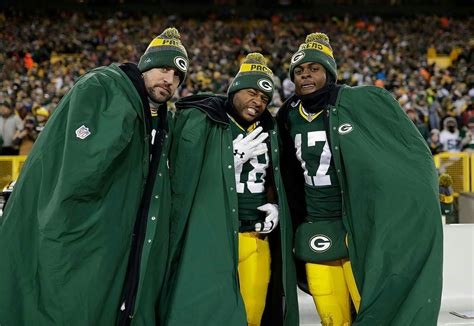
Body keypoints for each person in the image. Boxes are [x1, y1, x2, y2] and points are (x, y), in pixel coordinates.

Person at [0, 27, 189, 325]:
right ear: (147, 65)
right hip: (89, 228)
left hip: (122, 236)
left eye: (178, 76)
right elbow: (82, 163)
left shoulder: (164, 116)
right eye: (164, 68)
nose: (169, 80)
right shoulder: (104, 86)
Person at [277, 32, 443, 325]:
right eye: (299, 71)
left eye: (313, 69)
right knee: (332, 318)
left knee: (370, 308)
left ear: (328, 73)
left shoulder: (359, 102)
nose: (305, 75)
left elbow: (405, 152)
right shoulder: (286, 115)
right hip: (315, 223)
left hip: (355, 224)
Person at [162, 53, 298, 326]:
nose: (257, 102)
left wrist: (275, 205)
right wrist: (226, 158)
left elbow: (278, 178)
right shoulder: (206, 120)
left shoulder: (269, 128)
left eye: (264, 98)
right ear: (235, 89)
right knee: (209, 313)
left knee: (252, 316)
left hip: (256, 237)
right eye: (252, 92)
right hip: (215, 236)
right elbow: (182, 177)